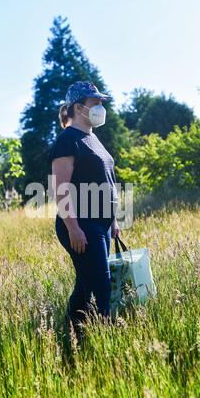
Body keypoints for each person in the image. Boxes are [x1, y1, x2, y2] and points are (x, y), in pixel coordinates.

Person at [48, 81, 121, 342]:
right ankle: (107, 343)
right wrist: (73, 228)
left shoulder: (93, 138)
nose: (101, 107)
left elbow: (107, 179)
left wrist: (112, 220)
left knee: (85, 285)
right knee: (102, 286)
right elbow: (60, 188)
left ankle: (70, 336)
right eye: (95, 103)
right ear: (79, 108)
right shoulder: (68, 140)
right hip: (82, 225)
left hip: (100, 225)